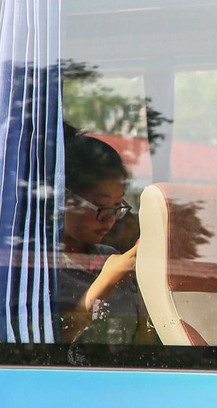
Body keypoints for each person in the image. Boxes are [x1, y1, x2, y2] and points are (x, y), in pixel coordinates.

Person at [57, 126, 139, 343]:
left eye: (117, 206)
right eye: (101, 206)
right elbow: (54, 343)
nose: (110, 218)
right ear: (63, 198)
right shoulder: (38, 267)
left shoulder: (111, 258)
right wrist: (108, 281)